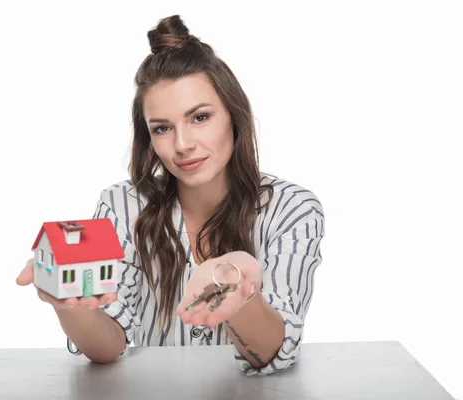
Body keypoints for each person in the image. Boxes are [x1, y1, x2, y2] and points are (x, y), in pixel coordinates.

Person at [16, 14, 325, 376]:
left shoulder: (292, 210)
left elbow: (273, 351)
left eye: (200, 118)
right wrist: (68, 304)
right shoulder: (122, 206)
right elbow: (108, 345)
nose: (182, 145)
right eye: (162, 128)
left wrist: (241, 294)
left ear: (233, 115)